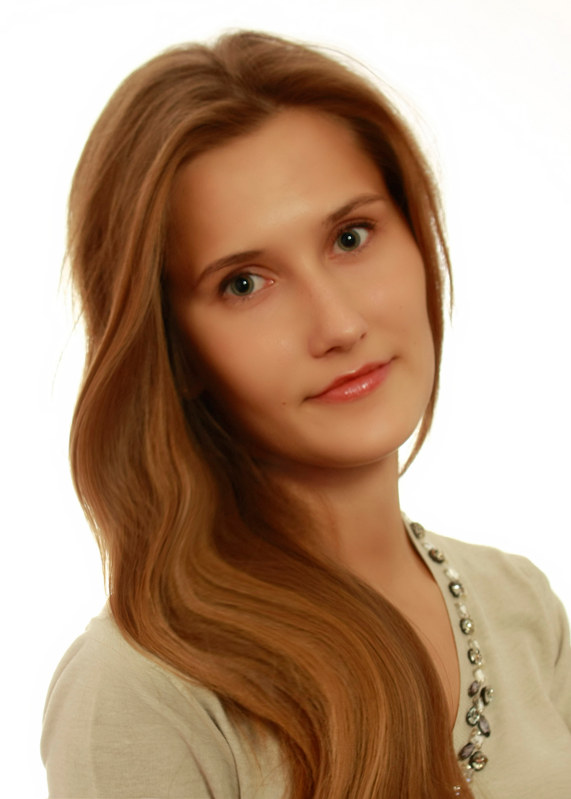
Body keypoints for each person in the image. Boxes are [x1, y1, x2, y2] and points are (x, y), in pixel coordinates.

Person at [41, 30, 571, 799]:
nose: (338, 325)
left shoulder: (518, 604)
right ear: (175, 351)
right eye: (244, 283)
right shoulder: (141, 692)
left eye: (350, 237)